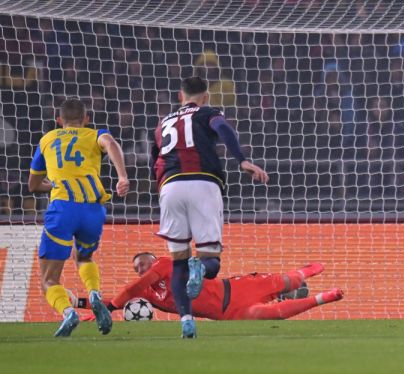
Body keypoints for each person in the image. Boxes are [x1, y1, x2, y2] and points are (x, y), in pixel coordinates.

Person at [152, 77, 269, 337]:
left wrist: (163, 190)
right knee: (211, 263)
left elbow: (156, 158)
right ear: (205, 97)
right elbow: (224, 129)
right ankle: (200, 268)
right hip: (203, 183)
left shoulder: (163, 123)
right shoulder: (208, 113)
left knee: (178, 263)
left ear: (180, 96)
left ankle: (186, 320)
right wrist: (242, 160)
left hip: (170, 187)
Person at [28, 97, 129, 337]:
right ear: (86, 119)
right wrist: (122, 176)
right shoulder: (94, 134)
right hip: (92, 209)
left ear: (59, 120)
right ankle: (94, 293)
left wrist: (53, 184)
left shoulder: (47, 140)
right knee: (84, 258)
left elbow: (33, 185)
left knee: (49, 280)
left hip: (62, 208)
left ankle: (68, 312)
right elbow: (111, 144)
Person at [89, 253, 343, 321]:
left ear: (153, 259)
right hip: (226, 313)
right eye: (137, 269)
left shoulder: (167, 264)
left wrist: (110, 307)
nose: (141, 270)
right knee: (272, 314)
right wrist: (82, 304)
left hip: (236, 288)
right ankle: (323, 298)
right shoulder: (149, 294)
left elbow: (132, 289)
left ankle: (309, 270)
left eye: (142, 264)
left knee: (289, 281)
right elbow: (126, 295)